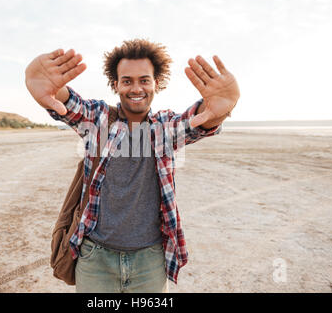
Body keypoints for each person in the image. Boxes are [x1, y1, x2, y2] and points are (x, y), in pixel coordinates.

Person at [25, 39, 240, 293]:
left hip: (149, 261)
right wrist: (47, 90)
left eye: (144, 80)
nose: (136, 88)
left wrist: (218, 110)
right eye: (127, 81)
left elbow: (196, 121)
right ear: (115, 85)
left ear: (156, 84)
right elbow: (71, 106)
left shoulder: (164, 128)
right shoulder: (98, 120)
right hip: (95, 258)